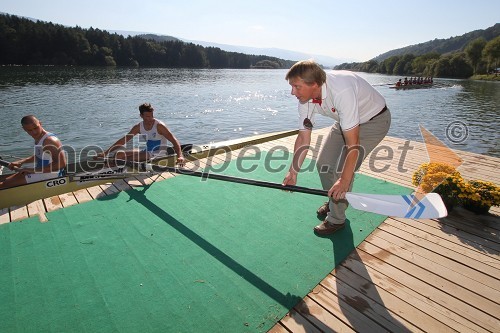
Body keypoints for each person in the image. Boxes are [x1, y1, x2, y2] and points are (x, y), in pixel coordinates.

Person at [282, 60, 391, 236]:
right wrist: (293, 171)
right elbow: (303, 137)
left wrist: (344, 180)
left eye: (296, 86)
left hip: (374, 121)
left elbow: (353, 145)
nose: (292, 92)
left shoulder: (341, 91)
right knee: (323, 163)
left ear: (314, 84)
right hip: (346, 122)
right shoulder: (305, 99)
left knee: (343, 172)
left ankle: (336, 219)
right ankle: (334, 199)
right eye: (291, 86)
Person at [97, 103, 185, 166]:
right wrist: (106, 153)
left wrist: (180, 156)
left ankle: (110, 168)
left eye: (151, 116)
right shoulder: (138, 127)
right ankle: (112, 164)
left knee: (129, 159)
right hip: (146, 151)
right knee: (118, 154)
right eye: (147, 116)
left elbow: (174, 140)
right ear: (141, 116)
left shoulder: (159, 126)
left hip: (159, 153)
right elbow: (123, 140)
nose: (150, 119)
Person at [0, 115, 67, 189]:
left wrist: (32, 170)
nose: (34, 132)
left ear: (40, 123)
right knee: (6, 181)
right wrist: (21, 162)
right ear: (24, 129)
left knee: (3, 185)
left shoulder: (50, 140)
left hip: (52, 174)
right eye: (29, 130)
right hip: (41, 170)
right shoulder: (39, 137)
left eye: (36, 128)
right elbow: (40, 155)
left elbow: (61, 164)